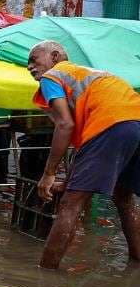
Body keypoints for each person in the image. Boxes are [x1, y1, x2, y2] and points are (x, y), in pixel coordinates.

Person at [28, 41, 140, 269]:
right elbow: (88, 148)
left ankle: (44, 278)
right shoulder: (89, 74)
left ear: (55, 56)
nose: (29, 67)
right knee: (124, 198)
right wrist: (68, 180)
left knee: (71, 204)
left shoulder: (53, 76)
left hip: (112, 126)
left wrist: (49, 174)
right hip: (134, 124)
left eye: (34, 60)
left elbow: (65, 125)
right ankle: (137, 265)